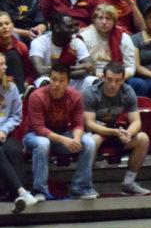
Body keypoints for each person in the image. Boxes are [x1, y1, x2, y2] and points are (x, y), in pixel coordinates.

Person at [24, 61, 98, 200]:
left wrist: (75, 139)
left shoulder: (75, 96)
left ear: (68, 82)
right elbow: (39, 128)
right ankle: (39, 190)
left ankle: (80, 187)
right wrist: (65, 140)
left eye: (61, 81)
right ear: (49, 78)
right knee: (43, 143)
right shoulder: (37, 96)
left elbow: (78, 124)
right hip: (34, 136)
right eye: (53, 79)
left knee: (89, 142)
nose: (56, 84)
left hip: (62, 134)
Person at [82, 61, 151, 195]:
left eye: (117, 80)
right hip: (96, 132)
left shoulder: (128, 91)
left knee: (143, 138)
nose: (113, 85)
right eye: (109, 80)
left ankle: (129, 183)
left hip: (116, 132)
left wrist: (128, 133)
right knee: (93, 141)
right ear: (102, 77)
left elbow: (136, 121)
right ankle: (86, 185)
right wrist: (114, 132)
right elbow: (89, 124)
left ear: (123, 80)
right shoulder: (91, 93)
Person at [0, 52, 37, 212]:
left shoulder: (11, 87)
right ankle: (21, 192)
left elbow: (16, 115)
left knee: (13, 149)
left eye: (5, 63)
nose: (5, 67)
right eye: (1, 64)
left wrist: (3, 130)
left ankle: (17, 196)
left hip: (4, 133)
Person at [30, 13, 96, 92]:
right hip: (50, 79)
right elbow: (40, 69)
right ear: (57, 28)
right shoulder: (39, 42)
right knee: (44, 81)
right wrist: (73, 68)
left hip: (72, 80)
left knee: (93, 81)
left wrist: (64, 74)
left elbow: (90, 67)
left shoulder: (76, 41)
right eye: (69, 27)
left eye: (74, 26)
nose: (74, 30)